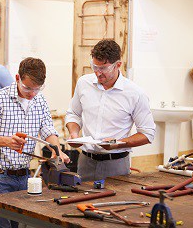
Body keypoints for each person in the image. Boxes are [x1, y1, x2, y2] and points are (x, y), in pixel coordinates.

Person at [0, 57, 70, 228]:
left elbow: (48, 129)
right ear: (17, 78)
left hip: (24, 177)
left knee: (17, 224)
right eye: (27, 88)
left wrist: (56, 149)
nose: (31, 94)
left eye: (37, 89)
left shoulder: (39, 100)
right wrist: (6, 141)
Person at [65, 39, 156, 182]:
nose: (98, 73)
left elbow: (148, 133)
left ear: (117, 65)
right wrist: (74, 133)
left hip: (116, 164)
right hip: (85, 161)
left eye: (104, 68)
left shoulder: (135, 93)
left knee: (114, 204)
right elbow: (74, 114)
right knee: (82, 200)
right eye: (94, 67)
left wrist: (119, 143)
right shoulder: (84, 83)